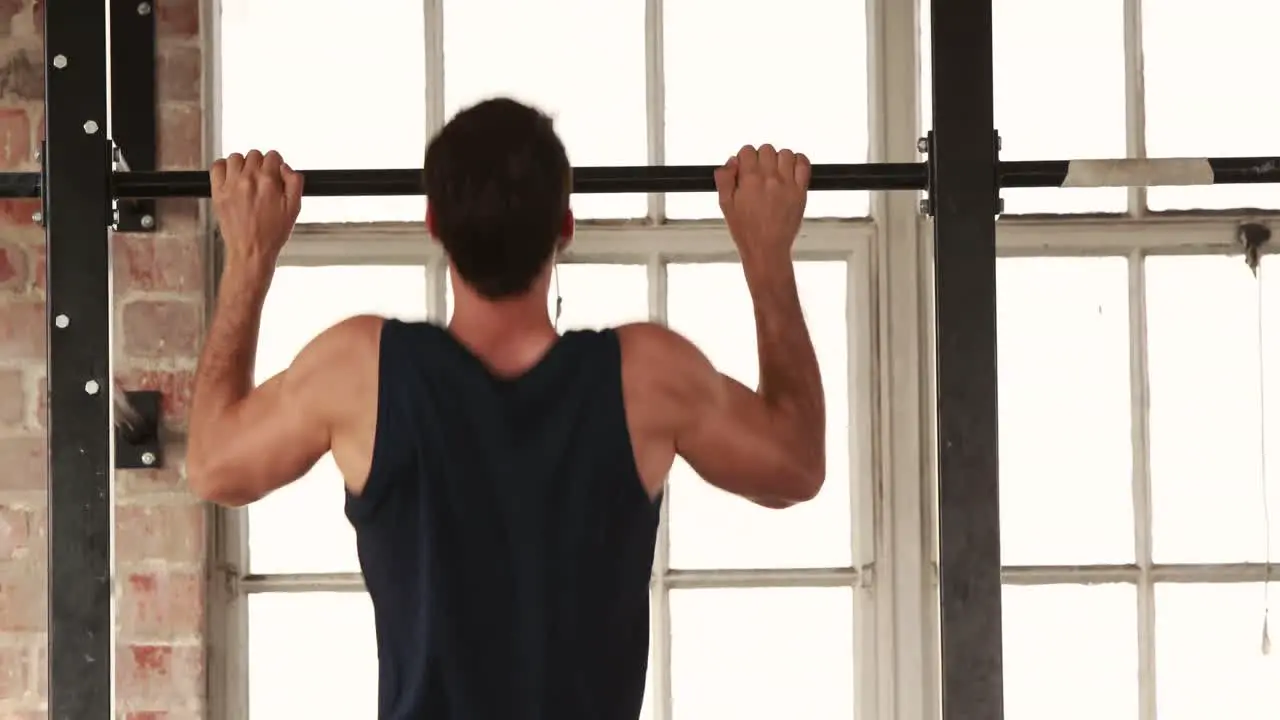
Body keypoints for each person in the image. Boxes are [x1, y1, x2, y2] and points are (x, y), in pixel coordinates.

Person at [187, 97, 827, 719]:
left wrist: (250, 256)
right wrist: (766, 254)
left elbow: (214, 466)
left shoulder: (360, 371)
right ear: (565, 226)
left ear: (434, 223)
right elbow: (795, 466)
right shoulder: (648, 375)